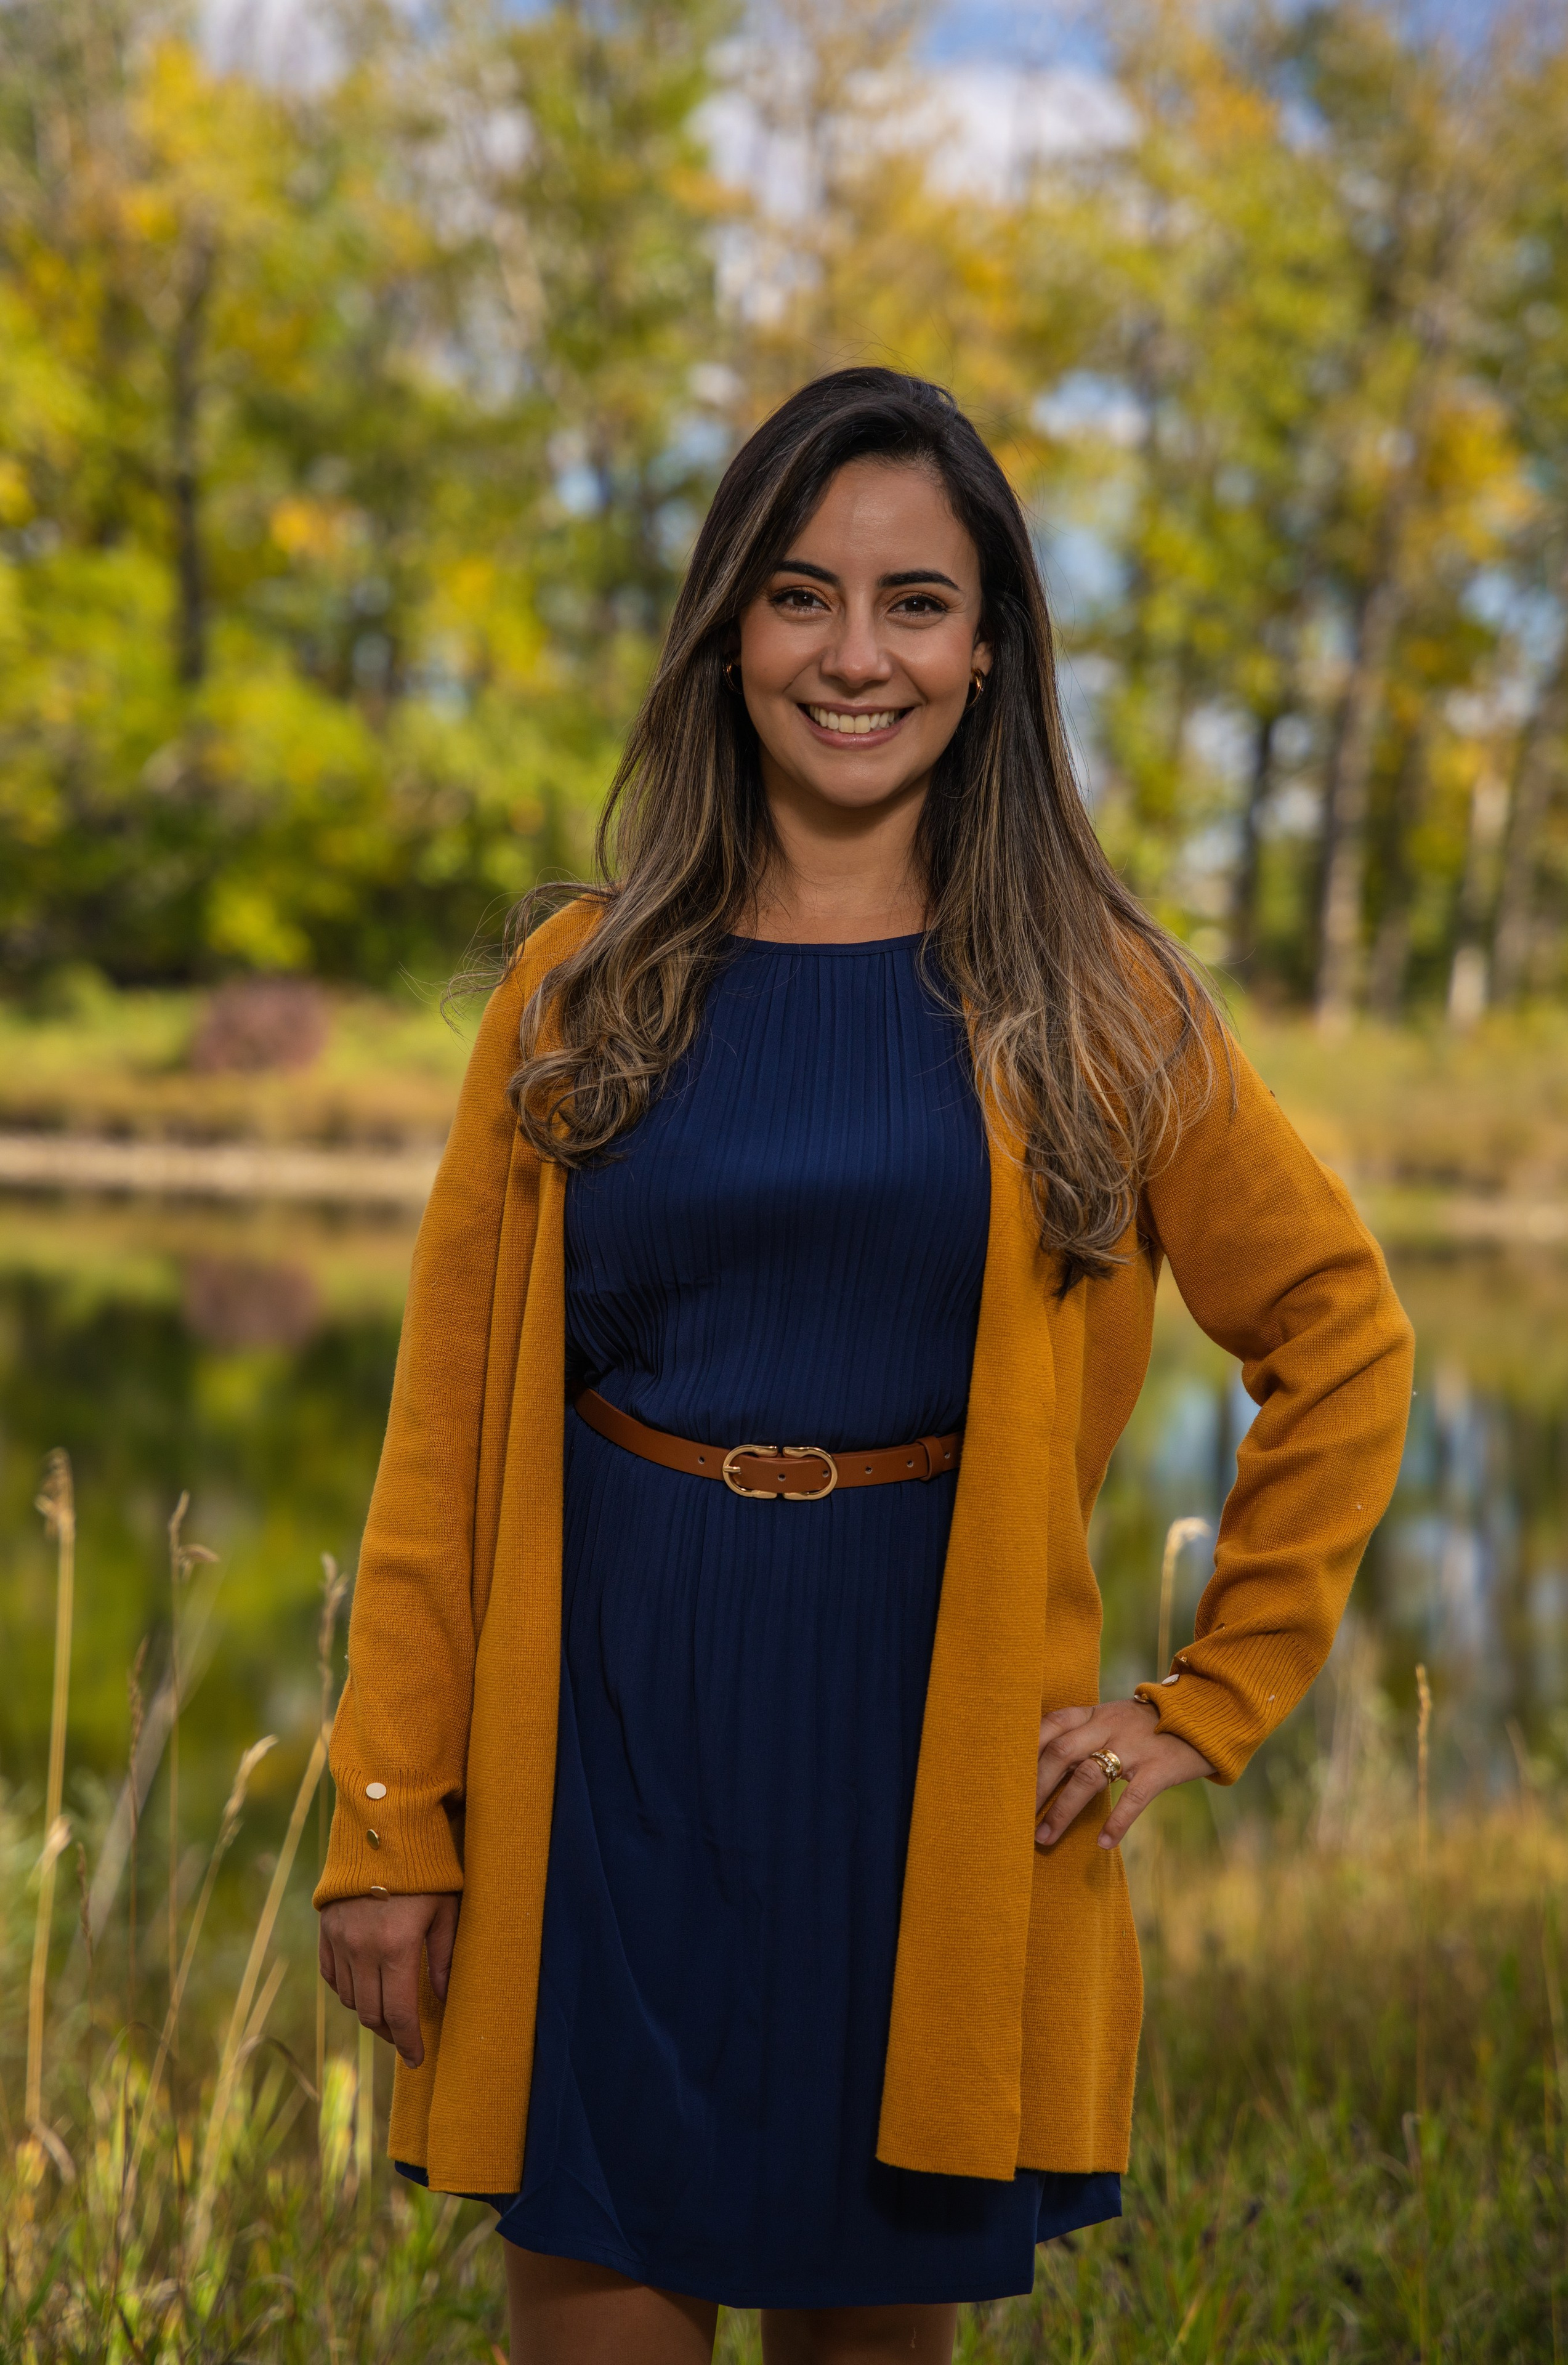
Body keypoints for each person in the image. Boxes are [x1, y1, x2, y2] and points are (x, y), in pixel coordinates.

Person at [314, 368, 1414, 2364]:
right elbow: (437, 1456)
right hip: (608, 1761)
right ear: (730, 626)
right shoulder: (579, 992)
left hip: (922, 1769)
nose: (856, 654)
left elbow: (1342, 1332)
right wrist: (394, 1816)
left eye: (917, 603)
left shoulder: (1093, 998)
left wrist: (1210, 1695)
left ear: (989, 651)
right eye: (803, 594)